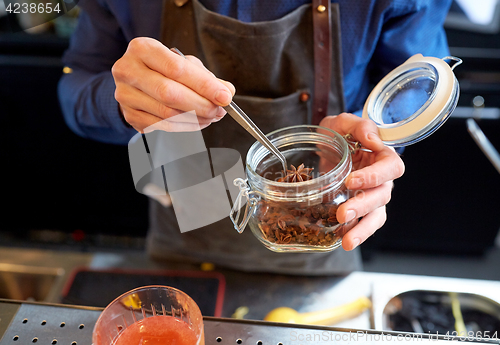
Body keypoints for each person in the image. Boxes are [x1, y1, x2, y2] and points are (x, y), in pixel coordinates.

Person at [58, 0, 451, 275]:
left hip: (329, 234)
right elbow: (72, 89)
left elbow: (416, 88)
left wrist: (374, 146)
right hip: (179, 241)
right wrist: (125, 102)